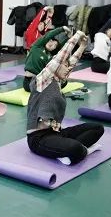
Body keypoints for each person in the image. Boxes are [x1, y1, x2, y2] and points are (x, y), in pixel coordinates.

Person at [27, 30, 104, 165]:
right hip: (38, 138)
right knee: (74, 148)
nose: (68, 69)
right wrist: (76, 37)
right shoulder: (42, 80)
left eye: (69, 67)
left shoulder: (58, 82)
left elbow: (71, 61)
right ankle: (80, 150)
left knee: (97, 128)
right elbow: (61, 57)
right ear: (54, 67)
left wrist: (82, 46)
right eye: (65, 66)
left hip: (56, 133)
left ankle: (72, 150)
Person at [23, 26, 72, 92]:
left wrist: (69, 38)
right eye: (51, 41)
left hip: (39, 82)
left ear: (54, 49)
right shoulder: (37, 46)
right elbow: (48, 35)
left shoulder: (49, 56)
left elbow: (62, 50)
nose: (52, 44)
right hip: (29, 82)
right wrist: (62, 29)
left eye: (55, 45)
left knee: (64, 82)